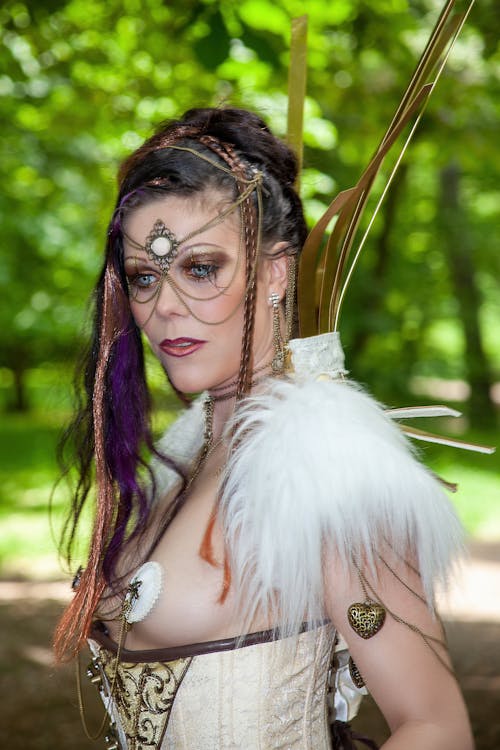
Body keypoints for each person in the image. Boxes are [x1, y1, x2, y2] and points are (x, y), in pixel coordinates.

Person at [55, 106, 474, 750]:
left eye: (200, 268)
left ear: (276, 272)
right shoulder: (189, 455)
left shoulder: (325, 470)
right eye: (144, 276)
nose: (164, 305)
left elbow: (435, 727)